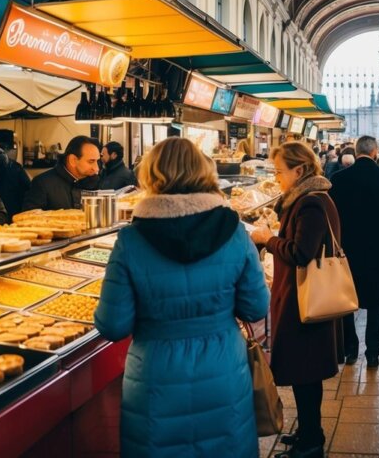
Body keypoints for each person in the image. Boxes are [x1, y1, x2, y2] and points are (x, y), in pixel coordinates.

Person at [94, 137, 269, 457]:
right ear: (204, 172)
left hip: (155, 379)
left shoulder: (131, 239)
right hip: (223, 372)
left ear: (152, 175)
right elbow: (256, 306)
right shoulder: (233, 231)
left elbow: (112, 325)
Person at [250, 142, 340, 457]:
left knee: (305, 372)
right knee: (306, 371)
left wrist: (268, 238)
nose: (276, 178)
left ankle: (311, 442)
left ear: (298, 170)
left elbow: (302, 252)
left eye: (279, 171)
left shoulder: (311, 203)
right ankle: (308, 431)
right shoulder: (306, 200)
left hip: (305, 300)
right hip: (300, 296)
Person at [331, 136, 379, 367]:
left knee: (347, 298)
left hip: (347, 249)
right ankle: (373, 351)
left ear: (356, 152)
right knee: (376, 300)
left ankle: (350, 349)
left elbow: (332, 216)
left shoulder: (338, 178)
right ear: (375, 152)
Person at [22, 136, 101, 211]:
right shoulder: (42, 184)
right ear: (72, 160)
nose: (96, 168)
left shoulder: (95, 181)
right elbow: (28, 220)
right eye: (91, 161)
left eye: (97, 161)